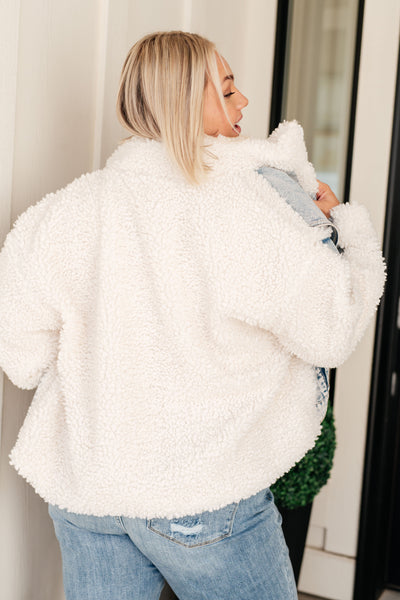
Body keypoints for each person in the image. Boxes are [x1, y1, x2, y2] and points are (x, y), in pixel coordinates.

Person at [0, 31, 385, 600]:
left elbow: (22, 359)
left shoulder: (67, 211)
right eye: (227, 90)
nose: (243, 102)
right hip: (200, 496)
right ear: (182, 102)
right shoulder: (249, 209)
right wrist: (349, 231)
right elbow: (331, 330)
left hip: (90, 495)